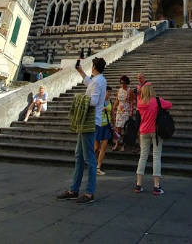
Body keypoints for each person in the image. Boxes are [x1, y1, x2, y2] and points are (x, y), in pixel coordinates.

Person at [57, 57, 107, 204]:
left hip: (90, 122)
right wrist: (80, 71)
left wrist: (78, 98)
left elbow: (93, 101)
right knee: (79, 155)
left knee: (89, 158)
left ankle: (90, 193)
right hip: (87, 121)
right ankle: (74, 190)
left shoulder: (98, 82)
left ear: (94, 67)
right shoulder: (97, 80)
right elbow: (88, 83)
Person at [134, 83, 172, 195]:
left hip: (143, 131)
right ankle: (156, 186)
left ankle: (138, 184)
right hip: (155, 132)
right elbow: (170, 105)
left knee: (143, 157)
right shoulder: (157, 101)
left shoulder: (140, 103)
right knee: (156, 157)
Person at [113, 75, 134, 151]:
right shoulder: (119, 90)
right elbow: (117, 100)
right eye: (121, 82)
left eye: (124, 82)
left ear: (127, 82)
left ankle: (124, 144)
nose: (122, 84)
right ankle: (117, 143)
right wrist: (113, 108)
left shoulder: (130, 91)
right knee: (118, 129)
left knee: (126, 129)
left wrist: (131, 111)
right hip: (119, 111)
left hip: (126, 111)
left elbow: (132, 101)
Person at [95, 86, 112, 175]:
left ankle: (98, 166)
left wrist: (113, 124)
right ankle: (94, 163)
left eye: (109, 93)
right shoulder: (98, 101)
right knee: (96, 147)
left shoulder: (109, 101)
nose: (108, 94)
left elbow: (111, 112)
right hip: (98, 125)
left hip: (107, 126)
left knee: (103, 147)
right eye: (107, 92)